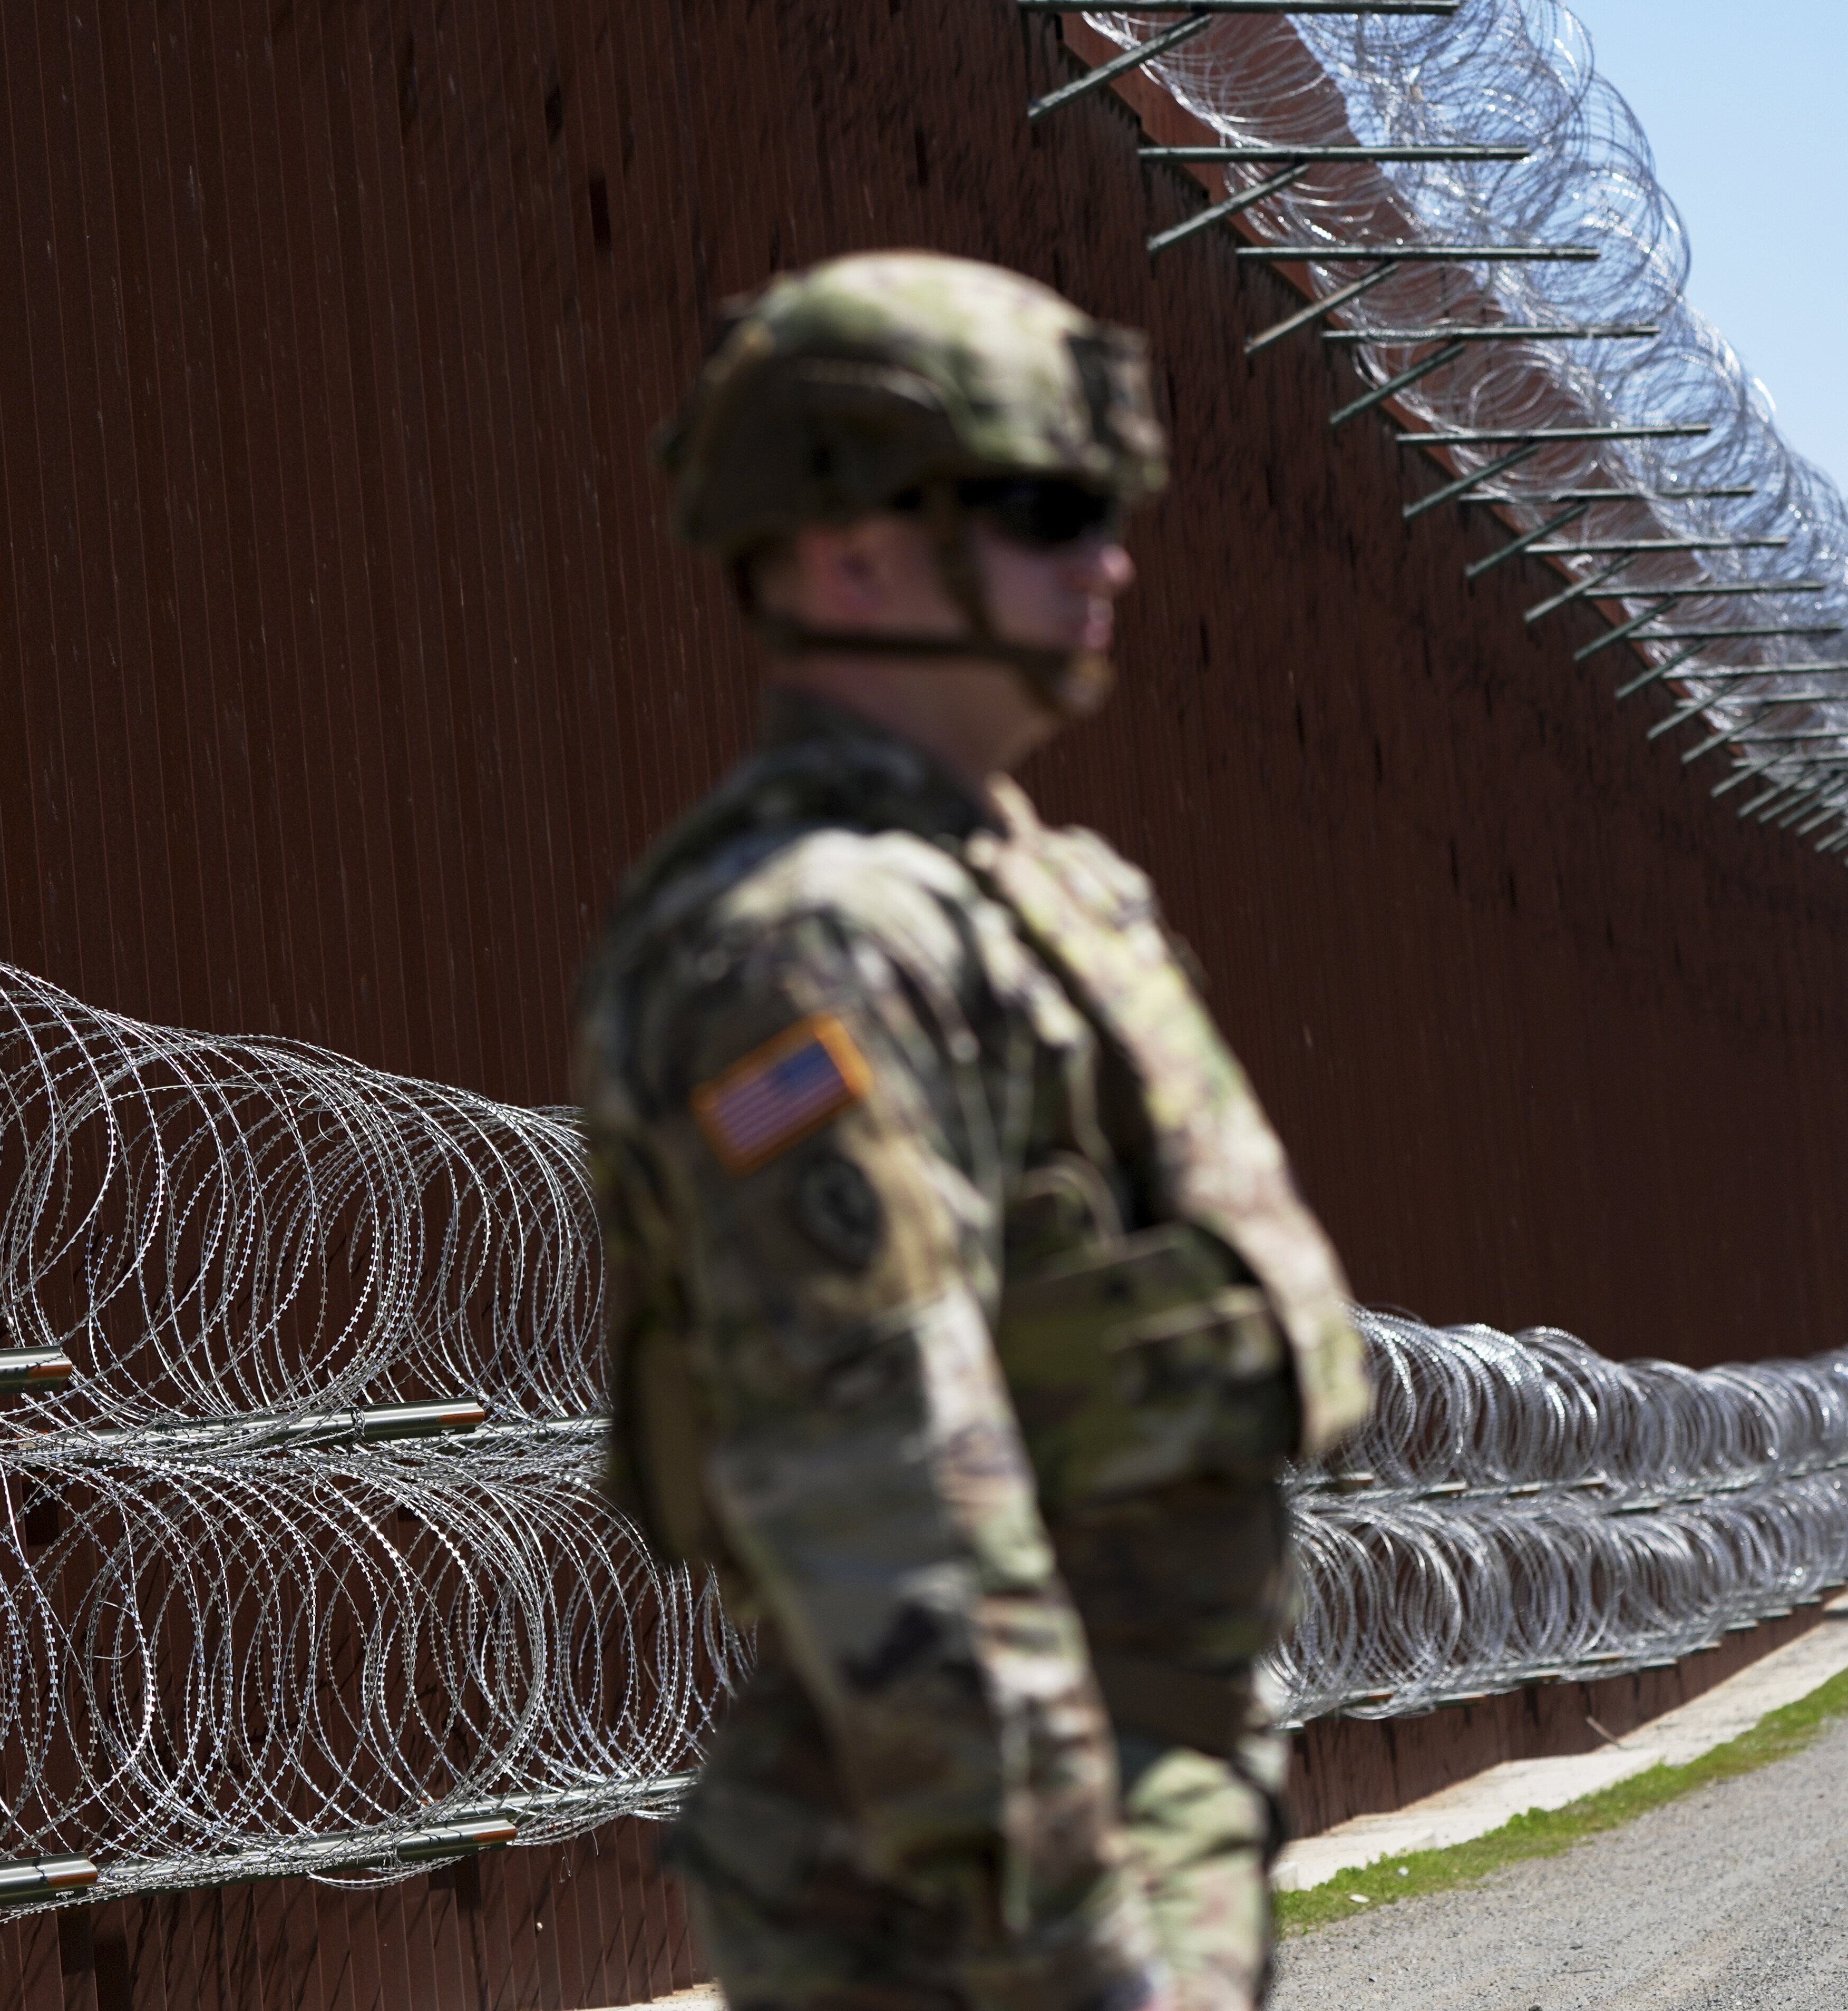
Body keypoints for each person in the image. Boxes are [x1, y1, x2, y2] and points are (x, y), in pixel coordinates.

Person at [575, 251, 1373, 2011]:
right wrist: (1078, 1951)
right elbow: (885, 1479)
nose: (1112, 557)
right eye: (1044, 507)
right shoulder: (815, 948)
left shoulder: (1027, 894)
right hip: (962, 1902)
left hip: (1122, 1816)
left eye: (1108, 507)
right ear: (850, 552)